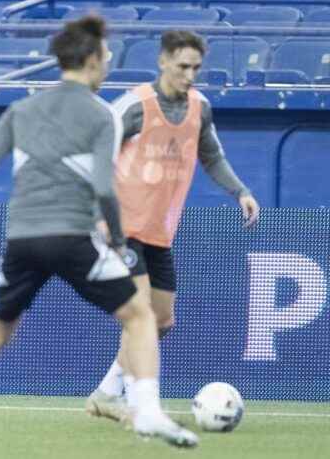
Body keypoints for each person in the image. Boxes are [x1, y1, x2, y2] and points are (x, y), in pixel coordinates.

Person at [0, 16, 198, 452]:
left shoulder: (23, 108)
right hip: (72, 236)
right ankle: (147, 412)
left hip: (22, 239)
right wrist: (119, 240)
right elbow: (106, 188)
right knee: (140, 316)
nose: (107, 66)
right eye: (105, 58)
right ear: (90, 61)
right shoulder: (100, 114)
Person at [85, 30, 260, 424]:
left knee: (162, 321)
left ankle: (105, 392)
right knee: (142, 315)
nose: (190, 74)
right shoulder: (135, 105)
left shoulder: (200, 107)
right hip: (122, 227)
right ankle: (138, 403)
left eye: (196, 67)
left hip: (159, 232)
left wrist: (241, 192)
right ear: (163, 61)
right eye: (183, 66)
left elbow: (212, 157)